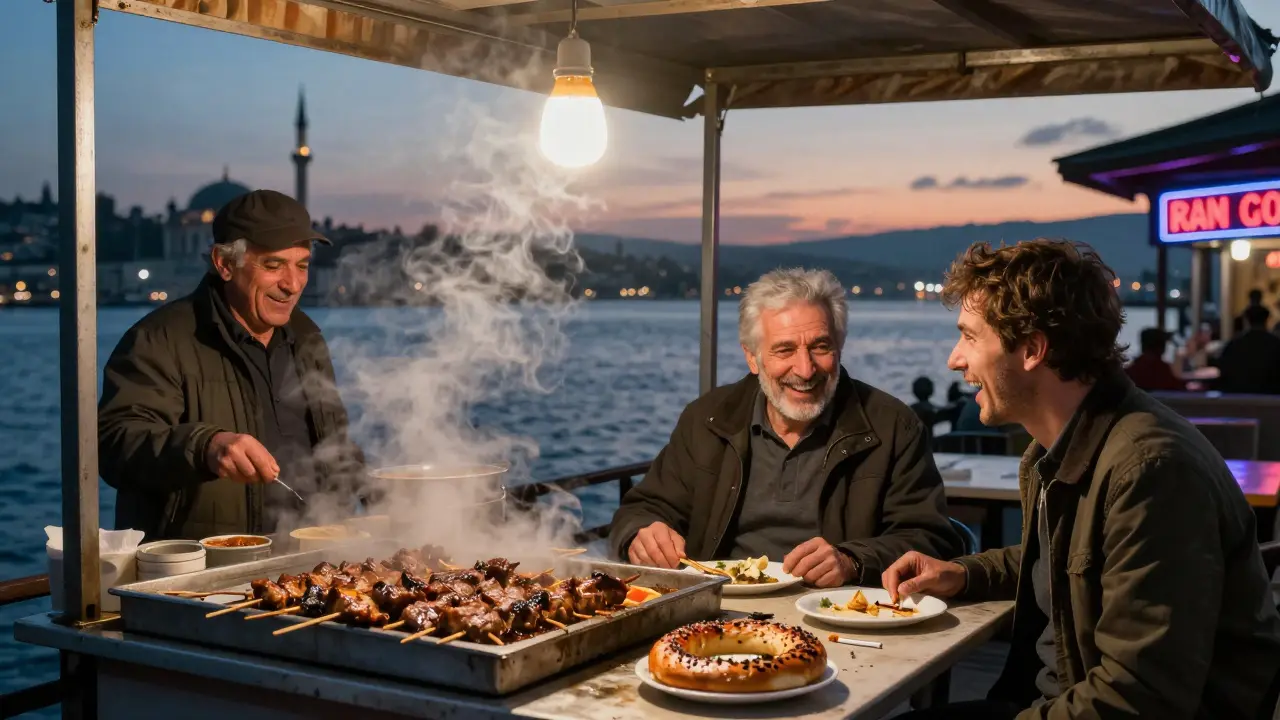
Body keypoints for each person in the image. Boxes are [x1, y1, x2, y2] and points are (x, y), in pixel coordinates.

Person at [881, 239, 1280, 719]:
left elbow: (1140, 696)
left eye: (969, 336)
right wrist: (965, 573)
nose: (954, 359)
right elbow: (1072, 558)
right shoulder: (1054, 451)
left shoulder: (1151, 471)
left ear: (1032, 349)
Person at [608, 268, 963, 588]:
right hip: (714, 612)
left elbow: (930, 537)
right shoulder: (707, 419)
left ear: (839, 347)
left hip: (839, 619)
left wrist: (853, 560)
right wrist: (640, 533)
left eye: (820, 347)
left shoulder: (893, 426)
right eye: (784, 350)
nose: (805, 369)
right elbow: (641, 508)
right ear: (752, 357)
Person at [98, 189, 366, 540]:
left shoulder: (307, 337)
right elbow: (114, 445)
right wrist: (206, 447)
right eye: (273, 265)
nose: (293, 284)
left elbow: (335, 445)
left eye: (302, 265)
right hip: (203, 575)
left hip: (313, 563)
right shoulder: (159, 338)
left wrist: (386, 491)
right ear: (225, 264)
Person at [1215, 304, 1280, 395]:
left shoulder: (1234, 345)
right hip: (1271, 399)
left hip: (1236, 399)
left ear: (1246, 321)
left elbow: (1223, 370)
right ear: (1267, 319)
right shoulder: (1276, 344)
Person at [1123, 327, 1184, 391]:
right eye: (1164, 342)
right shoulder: (1161, 369)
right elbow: (1177, 387)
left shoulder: (1132, 370)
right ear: (1161, 346)